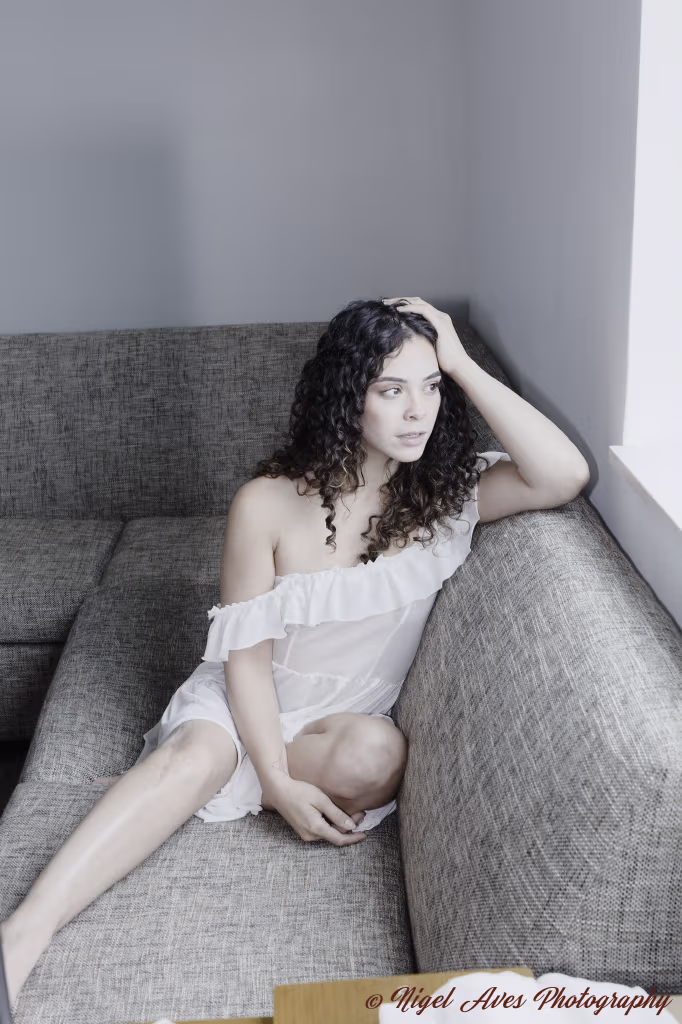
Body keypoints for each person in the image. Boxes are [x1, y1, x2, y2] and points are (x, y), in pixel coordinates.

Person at [0, 296, 590, 1010]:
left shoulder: (445, 496)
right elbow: (246, 661)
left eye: (431, 388)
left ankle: (174, 786)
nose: (418, 413)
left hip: (337, 725)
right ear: (347, 396)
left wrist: (460, 361)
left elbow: (562, 475)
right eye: (391, 390)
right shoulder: (266, 503)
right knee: (199, 754)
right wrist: (276, 781)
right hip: (245, 698)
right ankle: (22, 936)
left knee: (377, 756)